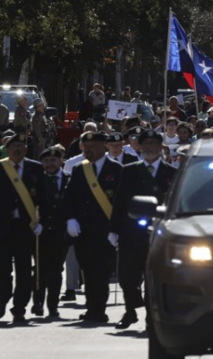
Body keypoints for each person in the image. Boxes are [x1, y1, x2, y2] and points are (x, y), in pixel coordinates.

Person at [109, 129, 176, 329]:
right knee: (127, 276)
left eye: (153, 144)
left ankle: (150, 317)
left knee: (153, 278)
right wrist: (113, 229)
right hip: (130, 233)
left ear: (160, 147)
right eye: (145, 144)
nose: (148, 148)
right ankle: (130, 311)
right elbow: (119, 201)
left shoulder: (170, 173)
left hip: (158, 234)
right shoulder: (129, 170)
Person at [0, 131, 46, 323]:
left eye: (21, 147)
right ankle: (3, 295)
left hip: (26, 228)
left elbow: (43, 199)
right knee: (0, 267)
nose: (18, 149)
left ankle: (19, 307)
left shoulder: (35, 168)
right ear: (6, 149)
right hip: (1, 228)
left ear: (26, 149)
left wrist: (42, 223)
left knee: (24, 270)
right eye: (14, 146)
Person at [63, 131, 124, 323]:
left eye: (92, 147)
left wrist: (116, 229)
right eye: (85, 147)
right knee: (88, 270)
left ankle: (99, 309)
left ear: (103, 147)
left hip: (105, 231)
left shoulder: (117, 169)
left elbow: (122, 202)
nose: (88, 150)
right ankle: (91, 308)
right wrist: (70, 219)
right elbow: (69, 197)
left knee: (102, 271)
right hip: (83, 230)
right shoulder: (80, 170)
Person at [32, 146, 69, 318]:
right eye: (46, 161)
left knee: (56, 270)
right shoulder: (36, 180)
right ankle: (38, 303)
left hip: (62, 232)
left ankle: (53, 305)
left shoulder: (70, 179)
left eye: (53, 160)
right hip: (41, 232)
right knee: (40, 268)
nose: (50, 164)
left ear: (61, 161)